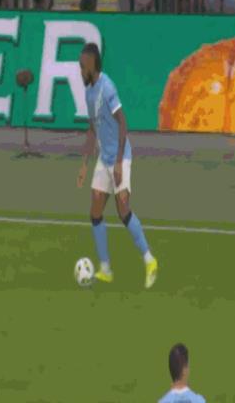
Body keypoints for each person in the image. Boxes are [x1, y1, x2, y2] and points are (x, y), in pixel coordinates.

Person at [77, 42, 158, 289]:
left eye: (83, 66)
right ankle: (105, 269)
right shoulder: (89, 92)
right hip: (104, 158)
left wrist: (121, 161)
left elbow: (123, 122)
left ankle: (149, 260)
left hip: (121, 157)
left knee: (123, 208)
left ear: (92, 65)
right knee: (95, 210)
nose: (80, 70)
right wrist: (84, 164)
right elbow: (92, 128)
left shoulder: (107, 88)